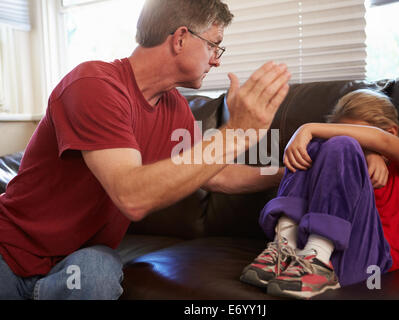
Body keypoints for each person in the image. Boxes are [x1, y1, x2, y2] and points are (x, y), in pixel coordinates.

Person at [0, 0, 291, 300]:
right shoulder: (93, 85)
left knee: (100, 271)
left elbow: (217, 174)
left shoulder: (174, 107)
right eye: (213, 46)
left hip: (78, 259)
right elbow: (132, 196)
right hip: (10, 251)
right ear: (180, 38)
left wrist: (287, 173)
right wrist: (235, 135)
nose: (216, 60)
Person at [240, 88, 399, 299]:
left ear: (391, 132)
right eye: (340, 129)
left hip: (371, 264)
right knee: (313, 146)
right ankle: (285, 245)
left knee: (340, 144)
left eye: (355, 133)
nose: (352, 140)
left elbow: (381, 141)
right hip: (310, 253)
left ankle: (318, 259)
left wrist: (307, 128)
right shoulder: (339, 160)